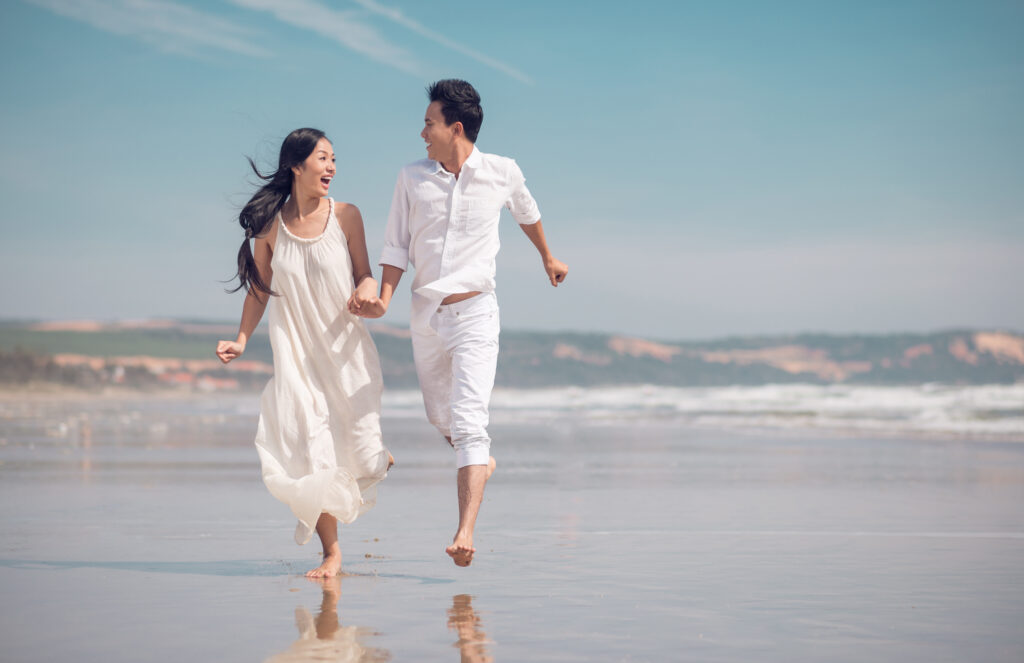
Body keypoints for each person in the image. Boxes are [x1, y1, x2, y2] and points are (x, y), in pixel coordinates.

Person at [350, 80, 568, 567]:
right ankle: (481, 463)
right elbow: (396, 245)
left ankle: (465, 530)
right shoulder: (411, 177)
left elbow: (527, 213)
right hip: (426, 313)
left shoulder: (502, 171)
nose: (422, 132)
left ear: (456, 128)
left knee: (470, 421)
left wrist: (548, 257)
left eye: (429, 123)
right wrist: (383, 299)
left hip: (475, 312)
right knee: (440, 417)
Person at [216, 128, 393, 578]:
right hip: (295, 355)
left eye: (334, 159)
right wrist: (240, 339)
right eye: (322, 158)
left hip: (345, 352)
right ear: (297, 166)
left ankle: (377, 457)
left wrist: (368, 296)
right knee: (312, 450)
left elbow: (364, 274)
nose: (331, 167)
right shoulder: (271, 227)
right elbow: (259, 290)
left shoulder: (347, 216)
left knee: (361, 450)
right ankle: (331, 553)